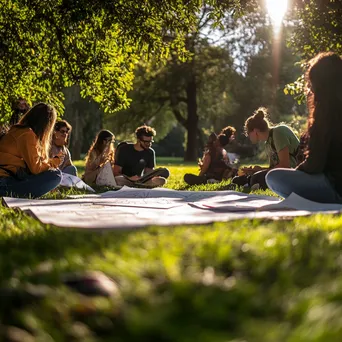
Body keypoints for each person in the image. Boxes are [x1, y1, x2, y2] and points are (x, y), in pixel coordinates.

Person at [266, 52, 342, 203]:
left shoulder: (327, 113)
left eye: (312, 83)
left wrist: (298, 171)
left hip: (335, 186)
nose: (310, 89)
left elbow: (315, 165)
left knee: (273, 177)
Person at [0, 103, 62, 198]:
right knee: (56, 175)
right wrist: (55, 162)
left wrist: (50, 162)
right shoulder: (27, 134)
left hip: (8, 179)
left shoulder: (19, 130)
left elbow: (35, 164)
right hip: (4, 183)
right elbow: (36, 168)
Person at [231, 107, 299, 190]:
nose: (248, 136)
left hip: (295, 173)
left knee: (256, 178)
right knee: (238, 180)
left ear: (255, 131)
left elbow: (285, 165)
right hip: (282, 174)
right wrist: (258, 170)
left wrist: (261, 172)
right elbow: (273, 168)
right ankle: (251, 182)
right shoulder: (268, 143)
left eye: (248, 133)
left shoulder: (278, 132)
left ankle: (252, 183)